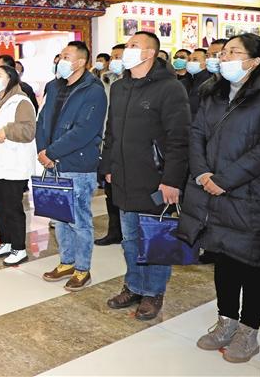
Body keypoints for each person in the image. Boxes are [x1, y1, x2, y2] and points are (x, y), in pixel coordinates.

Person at [177, 33, 260, 364]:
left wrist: (225, 180)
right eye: (224, 52)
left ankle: (248, 330)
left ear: (255, 61)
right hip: (211, 191)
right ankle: (226, 321)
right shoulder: (212, 92)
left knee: (251, 263)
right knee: (223, 259)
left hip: (249, 194)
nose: (224, 58)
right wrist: (202, 174)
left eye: (233, 52)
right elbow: (196, 133)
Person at [101, 31, 190, 320]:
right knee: (130, 239)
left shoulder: (170, 88)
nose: (127, 49)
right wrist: (108, 166)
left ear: (150, 53)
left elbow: (179, 139)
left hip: (155, 178)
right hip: (124, 177)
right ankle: (134, 286)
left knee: (154, 238)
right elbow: (112, 133)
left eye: (133, 45)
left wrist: (172, 180)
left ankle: (153, 292)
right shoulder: (120, 87)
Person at [36, 41, 107, 291]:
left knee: (79, 220)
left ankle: (82, 268)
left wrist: (51, 152)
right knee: (60, 218)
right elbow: (42, 121)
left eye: (66, 56)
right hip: (52, 162)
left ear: (80, 62)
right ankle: (66, 262)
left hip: (77, 163)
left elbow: (84, 131)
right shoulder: (54, 86)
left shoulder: (93, 90)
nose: (61, 60)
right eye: (60, 56)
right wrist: (43, 151)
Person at [0, 65, 37, 265]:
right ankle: (6, 242)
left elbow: (29, 130)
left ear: (10, 78)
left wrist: (8, 130)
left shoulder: (21, 101)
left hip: (13, 164)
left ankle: (19, 248)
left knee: (12, 208)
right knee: (0, 207)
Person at [95, 43, 125, 246]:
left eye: (119, 56)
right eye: (113, 57)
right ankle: (115, 231)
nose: (114, 61)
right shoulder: (105, 81)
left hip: (127, 145)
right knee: (110, 191)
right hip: (108, 141)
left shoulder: (133, 83)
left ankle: (132, 233)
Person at [185, 48, 213, 116]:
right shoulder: (188, 80)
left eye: (195, 60)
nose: (190, 62)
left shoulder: (209, 82)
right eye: (189, 60)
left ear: (206, 62)